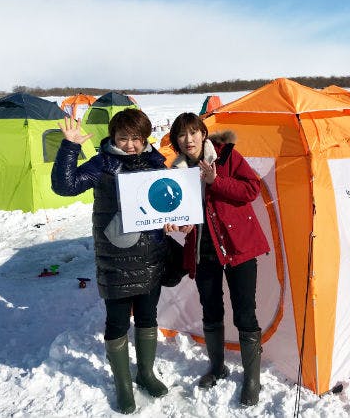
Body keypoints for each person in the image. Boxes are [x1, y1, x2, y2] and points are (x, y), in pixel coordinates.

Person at [51, 108, 168, 414]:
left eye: (136, 138)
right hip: (116, 259)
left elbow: (167, 204)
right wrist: (69, 146)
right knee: (116, 322)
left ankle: (145, 374)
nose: (130, 144)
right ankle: (123, 384)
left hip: (151, 257)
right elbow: (65, 185)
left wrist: (172, 221)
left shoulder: (157, 163)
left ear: (145, 139)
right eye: (124, 137)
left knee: (147, 317)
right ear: (114, 137)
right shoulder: (104, 164)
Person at [164, 112, 270, 406]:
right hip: (203, 251)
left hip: (238, 246)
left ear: (203, 134)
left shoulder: (226, 158)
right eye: (182, 136)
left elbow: (252, 189)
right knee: (211, 309)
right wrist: (179, 225)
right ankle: (217, 367)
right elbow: (185, 214)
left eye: (193, 133)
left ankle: (252, 379)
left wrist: (216, 180)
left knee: (244, 312)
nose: (188, 140)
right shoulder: (178, 172)